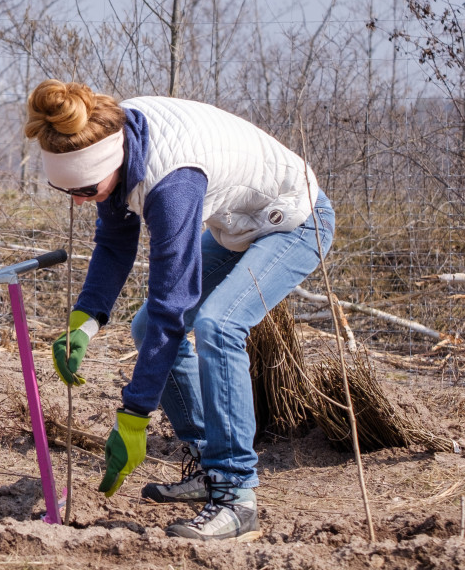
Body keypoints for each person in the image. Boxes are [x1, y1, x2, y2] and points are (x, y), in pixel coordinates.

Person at [27, 78, 335, 542]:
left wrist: (133, 416)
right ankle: (206, 464)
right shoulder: (106, 133)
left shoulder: (171, 184)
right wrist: (84, 323)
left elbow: (175, 308)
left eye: (87, 190)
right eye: (66, 191)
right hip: (240, 224)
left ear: (108, 166)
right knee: (144, 324)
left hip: (296, 220)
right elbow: (114, 244)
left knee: (218, 325)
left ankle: (236, 496)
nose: (79, 200)